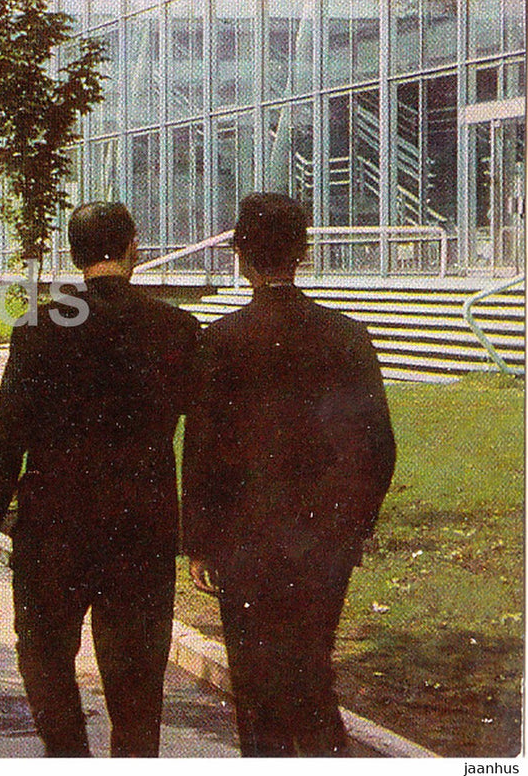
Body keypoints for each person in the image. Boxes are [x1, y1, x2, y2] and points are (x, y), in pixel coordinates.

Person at [0, 201, 199, 757]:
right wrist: (203, 531)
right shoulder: (177, 328)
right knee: (139, 680)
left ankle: (68, 754)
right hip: (141, 528)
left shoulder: (39, 329)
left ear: (74, 256)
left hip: (54, 528)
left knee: (44, 656)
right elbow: (207, 436)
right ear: (132, 249)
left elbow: (7, 436)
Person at [182, 193, 396, 757]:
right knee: (312, 668)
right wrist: (355, 526)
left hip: (244, 543)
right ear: (302, 252)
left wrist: (199, 542)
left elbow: (201, 449)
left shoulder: (219, 341)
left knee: (254, 683)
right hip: (324, 540)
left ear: (241, 258)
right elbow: (379, 446)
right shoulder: (347, 336)